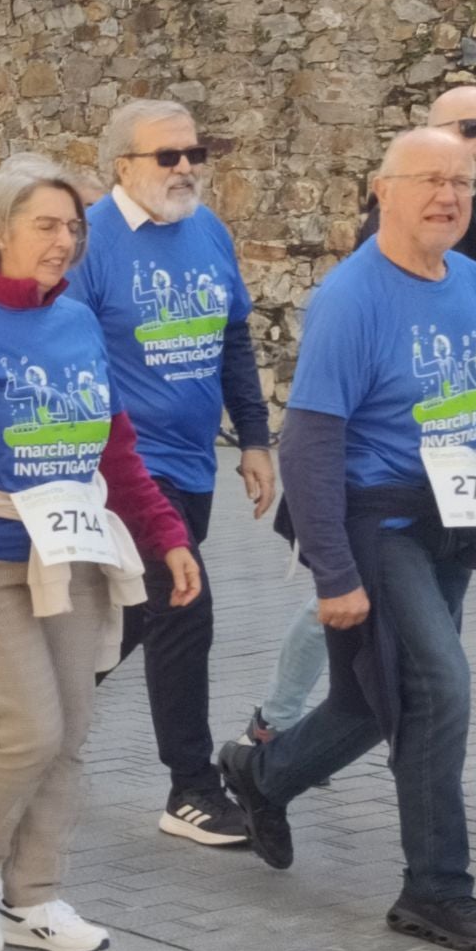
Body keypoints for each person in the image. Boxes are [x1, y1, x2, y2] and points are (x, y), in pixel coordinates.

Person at [220, 129, 476, 951]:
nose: (448, 195)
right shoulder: (352, 298)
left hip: (452, 518)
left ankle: (263, 772)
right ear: (381, 190)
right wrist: (334, 572)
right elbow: (310, 444)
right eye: (429, 179)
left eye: (462, 184)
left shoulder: (470, 283)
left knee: (372, 698)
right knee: (439, 686)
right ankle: (435, 889)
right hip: (379, 519)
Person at [0, 155, 199, 951]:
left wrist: (166, 533)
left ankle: (34, 899)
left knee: (70, 731)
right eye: (46, 224)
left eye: (72, 226)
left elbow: (116, 449)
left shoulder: (76, 322)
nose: (65, 240)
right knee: (29, 729)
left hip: (70, 556)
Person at [69, 101, 272, 847]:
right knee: (186, 609)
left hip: (192, 463)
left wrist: (252, 438)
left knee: (129, 619)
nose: (186, 167)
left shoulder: (208, 231)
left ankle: (37, 721)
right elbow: (70, 356)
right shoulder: (90, 242)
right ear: (123, 164)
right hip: (126, 467)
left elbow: (233, 338)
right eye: (168, 156)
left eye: (195, 151)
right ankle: (191, 787)